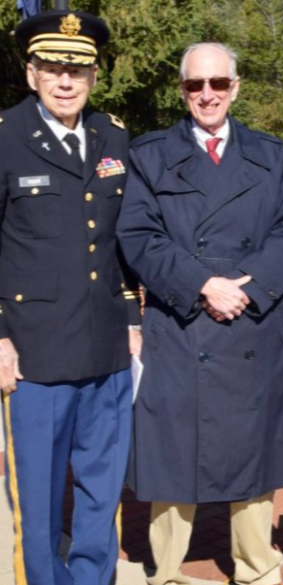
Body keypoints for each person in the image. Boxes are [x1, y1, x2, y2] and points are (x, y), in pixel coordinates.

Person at [117, 42, 283, 585]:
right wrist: (202, 282)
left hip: (254, 316)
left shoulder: (271, 153)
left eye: (218, 84)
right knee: (172, 452)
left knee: (255, 452)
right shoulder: (150, 153)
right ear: (182, 89)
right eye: (195, 85)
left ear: (236, 87)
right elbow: (137, 234)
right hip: (182, 321)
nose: (207, 94)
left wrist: (247, 288)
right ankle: (166, 571)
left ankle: (257, 567)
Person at [0, 10, 141, 585]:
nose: (65, 81)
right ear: (31, 72)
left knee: (101, 495)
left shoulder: (113, 136)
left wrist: (132, 317)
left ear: (93, 77)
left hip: (106, 347)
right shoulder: (6, 138)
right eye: (53, 68)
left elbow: (122, 241)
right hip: (34, 355)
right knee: (36, 506)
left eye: (77, 71)